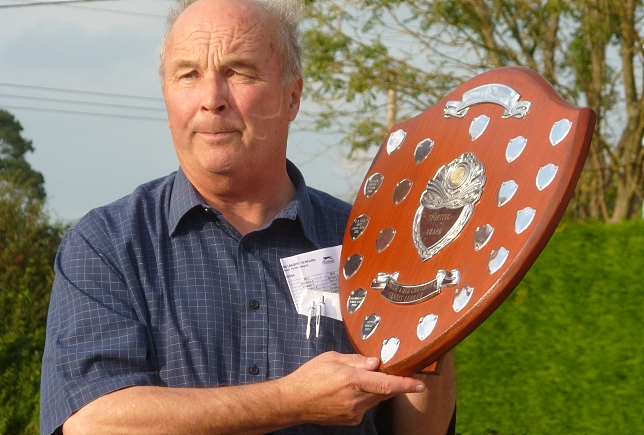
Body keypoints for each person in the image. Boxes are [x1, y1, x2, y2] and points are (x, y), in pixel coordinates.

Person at [40, 0, 457, 433]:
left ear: (291, 96)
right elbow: (95, 422)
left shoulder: (372, 243)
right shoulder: (105, 244)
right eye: (188, 75)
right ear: (167, 97)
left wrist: (432, 342)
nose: (211, 100)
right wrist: (291, 401)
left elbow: (414, 426)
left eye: (238, 71)